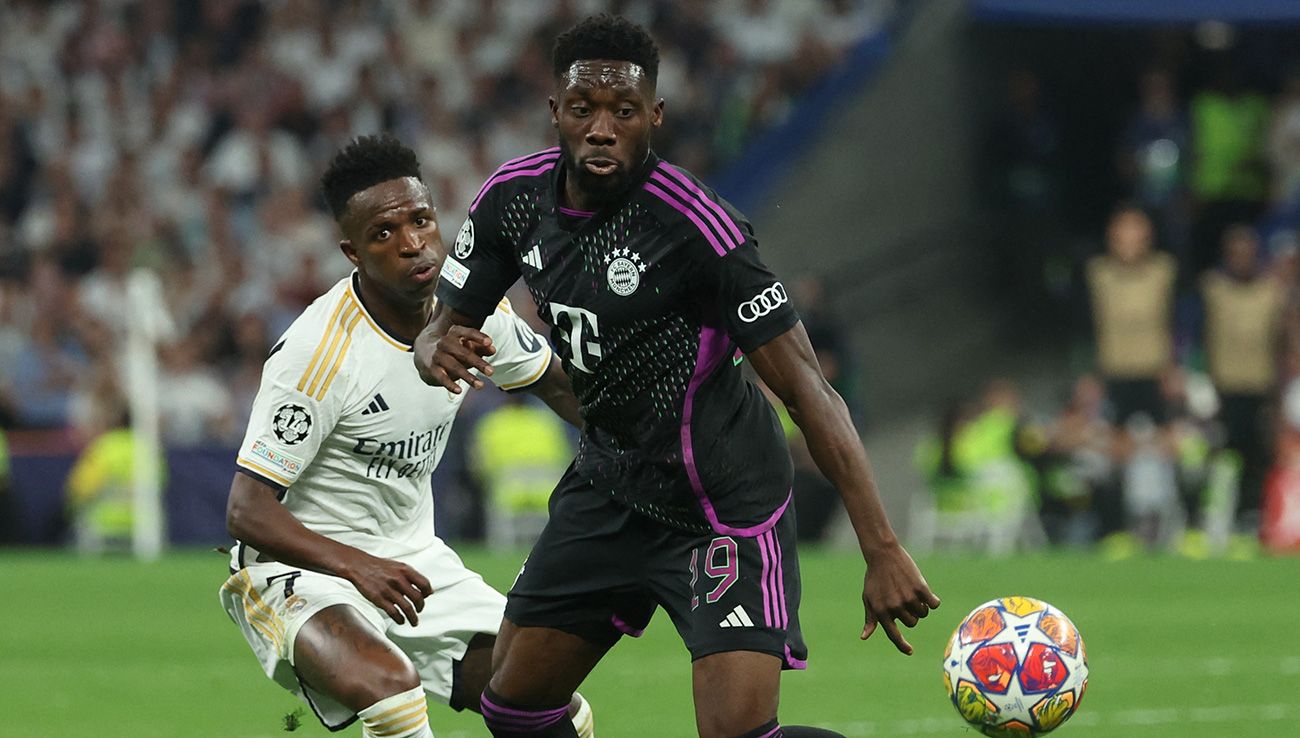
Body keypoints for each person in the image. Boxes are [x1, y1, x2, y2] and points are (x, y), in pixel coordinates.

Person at [415, 15, 939, 738]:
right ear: (555, 115)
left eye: (622, 112)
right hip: (609, 487)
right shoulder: (513, 199)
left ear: (653, 117)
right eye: (583, 110)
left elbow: (807, 387)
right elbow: (443, 319)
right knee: (513, 706)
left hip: (719, 502)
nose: (602, 128)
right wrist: (432, 346)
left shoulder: (698, 229)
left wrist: (880, 546)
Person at [219, 135, 593, 738]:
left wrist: (658, 438)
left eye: (420, 220)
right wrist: (359, 567)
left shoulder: (473, 311)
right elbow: (246, 509)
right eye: (384, 233)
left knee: (551, 703)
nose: (413, 242)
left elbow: (557, 385)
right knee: (393, 696)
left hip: (412, 564)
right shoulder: (319, 354)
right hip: (297, 571)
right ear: (352, 252)